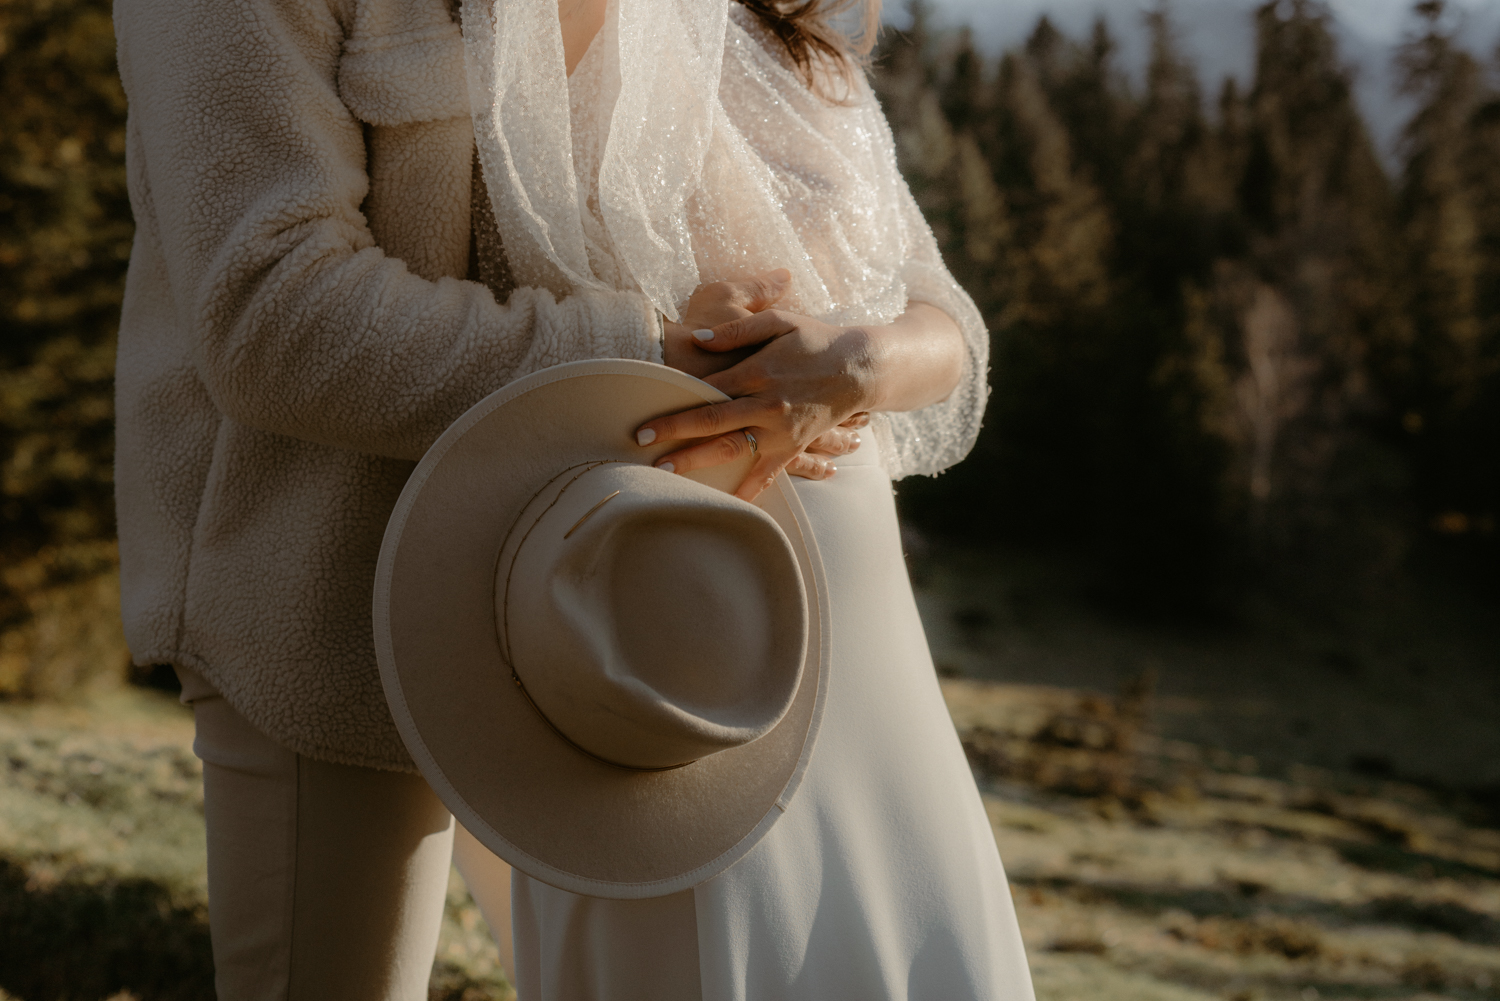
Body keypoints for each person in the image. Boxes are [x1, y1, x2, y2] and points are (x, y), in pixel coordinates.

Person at [110, 0, 1036, 992]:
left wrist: (856, 360)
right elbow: (271, 313)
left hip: (647, 613)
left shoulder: (729, 20)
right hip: (335, 587)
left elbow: (922, 295)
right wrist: (650, 358)